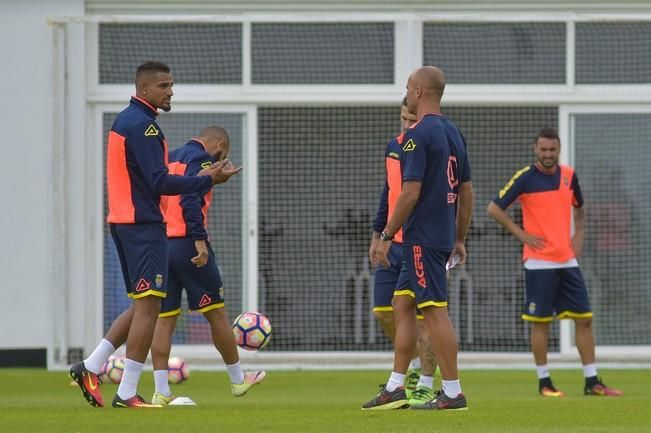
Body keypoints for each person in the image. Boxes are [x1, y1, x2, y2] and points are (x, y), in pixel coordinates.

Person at [69, 61, 242, 409]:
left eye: (171, 84)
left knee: (142, 305)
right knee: (151, 308)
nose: (170, 91)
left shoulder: (125, 120)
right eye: (163, 85)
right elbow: (159, 182)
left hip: (124, 221)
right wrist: (209, 179)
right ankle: (127, 392)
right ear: (143, 89)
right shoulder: (144, 126)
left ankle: (89, 366)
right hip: (142, 225)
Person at [363, 66, 473, 411]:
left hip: (422, 238)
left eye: (409, 87)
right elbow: (466, 192)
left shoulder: (417, 134)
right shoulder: (454, 132)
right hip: (437, 236)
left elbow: (409, 193)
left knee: (435, 312)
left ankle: (453, 392)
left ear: (419, 92)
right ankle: (398, 385)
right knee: (402, 304)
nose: (407, 92)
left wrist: (384, 234)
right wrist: (459, 237)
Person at [486, 127, 622, 398]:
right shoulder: (525, 178)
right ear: (535, 149)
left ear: (559, 149)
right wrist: (522, 234)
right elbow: (494, 208)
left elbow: (579, 206)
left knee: (584, 319)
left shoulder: (569, 176)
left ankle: (592, 381)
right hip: (538, 263)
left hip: (567, 261)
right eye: (543, 149)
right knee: (541, 323)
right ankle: (544, 382)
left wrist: (580, 233)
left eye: (553, 149)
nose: (548, 154)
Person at [150, 127, 265, 405]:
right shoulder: (201, 158)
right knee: (216, 313)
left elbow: (172, 190)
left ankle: (161, 391)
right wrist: (200, 241)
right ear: (220, 145)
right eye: (222, 156)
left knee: (165, 319)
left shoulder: (172, 157)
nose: (219, 162)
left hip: (163, 245)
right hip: (189, 243)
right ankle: (238, 380)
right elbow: (190, 198)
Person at [369, 97, 438, 408]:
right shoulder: (393, 147)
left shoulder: (431, 147)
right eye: (404, 119)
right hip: (391, 242)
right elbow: (389, 192)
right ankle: (408, 369)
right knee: (385, 310)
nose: (408, 126)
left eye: (412, 120)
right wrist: (377, 234)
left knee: (425, 319)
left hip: (421, 243)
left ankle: (425, 383)